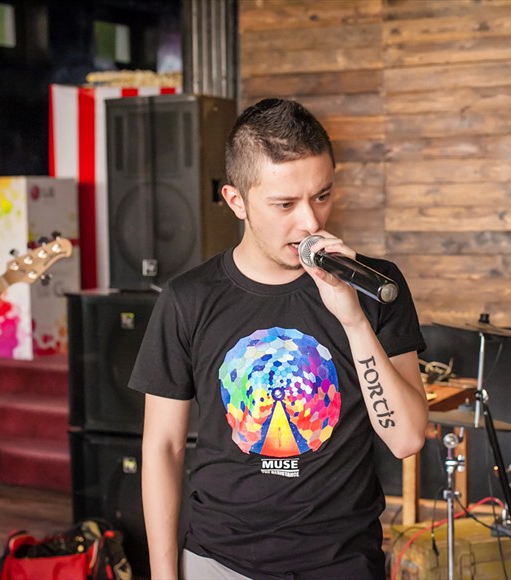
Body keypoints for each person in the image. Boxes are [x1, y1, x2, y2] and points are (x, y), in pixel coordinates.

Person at [128, 98, 429, 579]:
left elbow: (407, 439)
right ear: (236, 201)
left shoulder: (374, 284)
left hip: (341, 562)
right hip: (219, 560)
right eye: (285, 204)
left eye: (322, 196)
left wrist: (353, 319)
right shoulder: (188, 298)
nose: (310, 222)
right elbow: (163, 447)